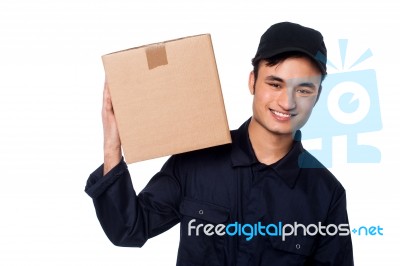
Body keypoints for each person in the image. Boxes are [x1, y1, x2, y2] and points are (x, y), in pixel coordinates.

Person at [85, 22, 354, 265]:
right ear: (253, 82)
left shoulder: (326, 194)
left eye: (304, 90)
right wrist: (112, 148)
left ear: (317, 97)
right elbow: (129, 229)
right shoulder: (197, 160)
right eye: (275, 84)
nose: (287, 102)